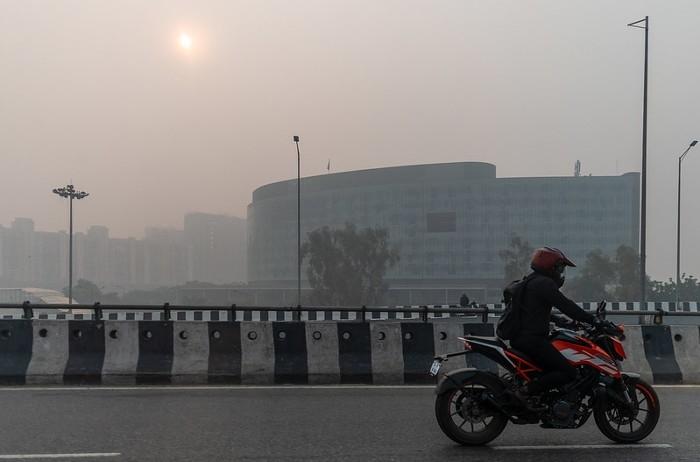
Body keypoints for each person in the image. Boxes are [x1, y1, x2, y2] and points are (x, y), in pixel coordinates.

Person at [510, 247, 597, 402]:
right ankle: (525, 391)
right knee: (568, 372)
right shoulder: (544, 283)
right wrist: (593, 320)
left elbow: (535, 311)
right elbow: (566, 305)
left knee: (551, 367)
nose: (561, 272)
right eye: (560, 268)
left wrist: (562, 321)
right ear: (550, 266)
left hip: (522, 338)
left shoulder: (531, 281)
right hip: (533, 340)